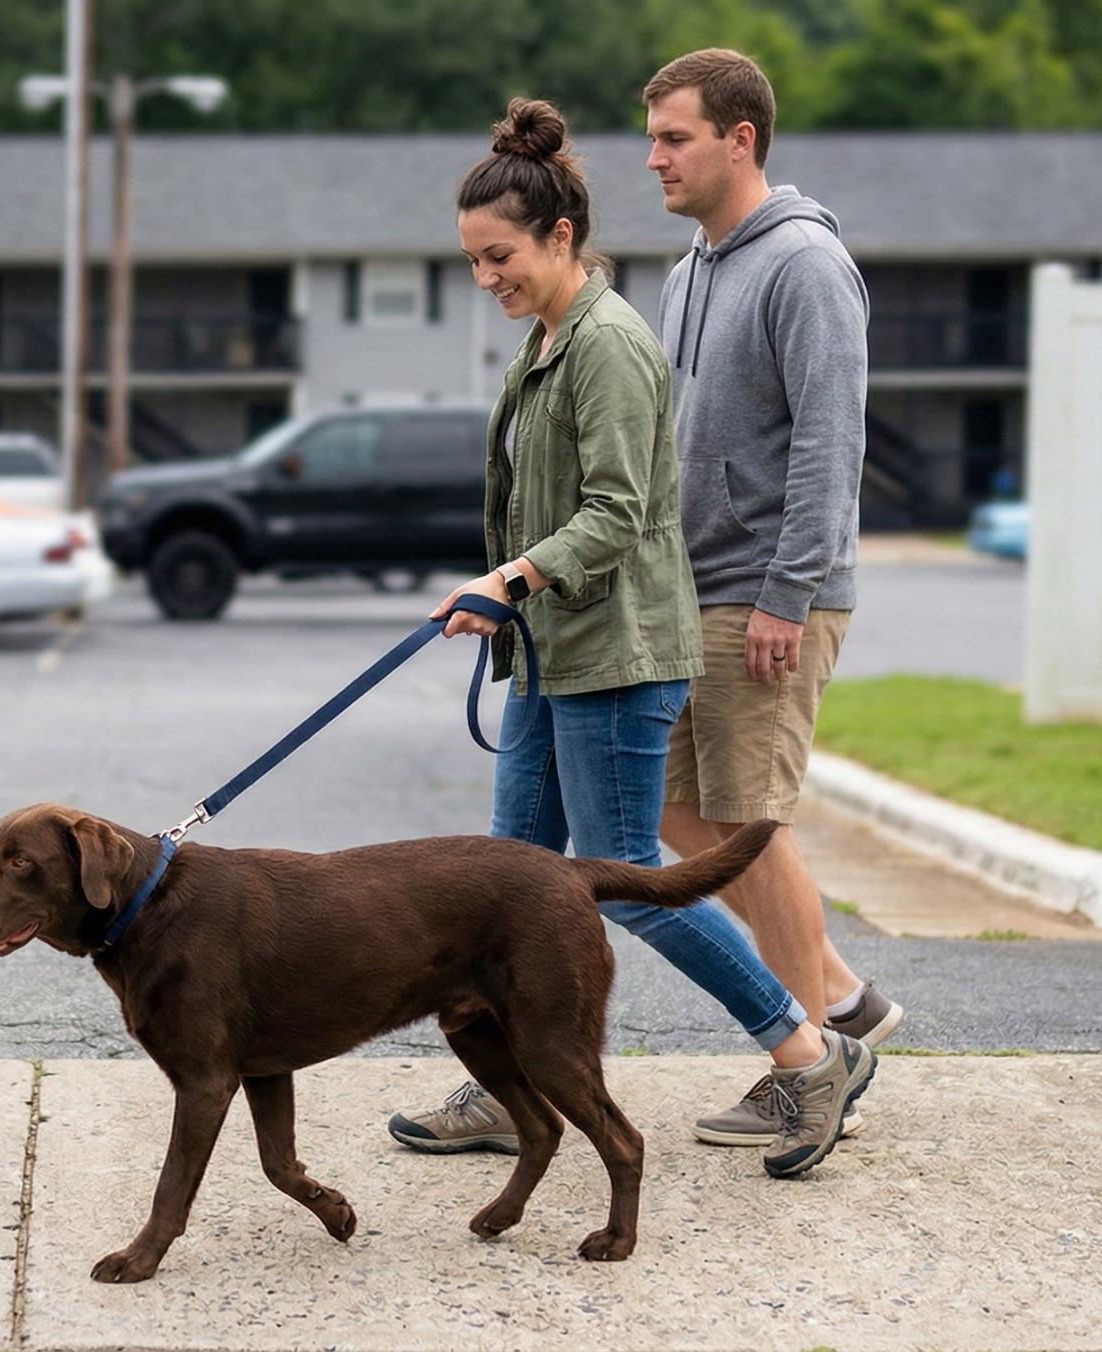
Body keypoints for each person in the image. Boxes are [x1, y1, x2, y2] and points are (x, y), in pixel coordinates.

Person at [387, 97, 864, 1178]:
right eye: (470, 261)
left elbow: (617, 510)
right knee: (500, 879)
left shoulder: (606, 345)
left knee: (623, 881)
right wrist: (508, 595)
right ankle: (514, 1088)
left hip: (616, 651)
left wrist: (510, 574)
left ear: (560, 237)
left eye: (498, 255)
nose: (485, 279)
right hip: (554, 647)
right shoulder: (551, 338)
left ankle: (808, 1050)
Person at [643, 48, 900, 1163]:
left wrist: (788, 595)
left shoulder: (803, 263)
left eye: (675, 138)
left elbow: (832, 446)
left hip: (767, 595)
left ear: (740, 139)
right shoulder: (691, 267)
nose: (654, 158)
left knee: (749, 826)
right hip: (695, 587)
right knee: (670, 810)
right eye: (652, 137)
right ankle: (844, 1004)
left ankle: (809, 1066)